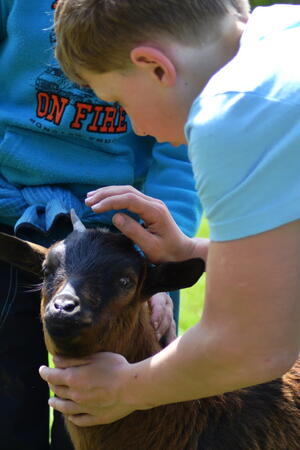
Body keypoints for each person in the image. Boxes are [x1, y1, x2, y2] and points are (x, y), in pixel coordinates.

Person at [39, 0, 300, 428]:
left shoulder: (235, 108)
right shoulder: (283, 36)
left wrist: (125, 387)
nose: (136, 127)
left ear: (155, 67)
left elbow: (255, 347)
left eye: (119, 100)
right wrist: (193, 250)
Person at [0, 1, 201, 449]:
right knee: (8, 400)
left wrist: (157, 259)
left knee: (116, 415)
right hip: (14, 220)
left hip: (124, 241)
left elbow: (179, 146)